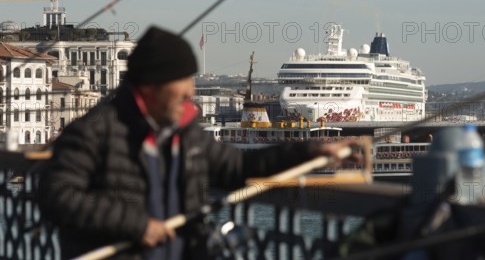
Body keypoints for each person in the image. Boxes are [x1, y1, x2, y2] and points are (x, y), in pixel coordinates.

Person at [39, 26, 360, 259]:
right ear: (153, 86)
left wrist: (309, 151)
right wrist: (137, 226)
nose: (191, 92)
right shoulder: (93, 131)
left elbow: (239, 167)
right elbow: (58, 195)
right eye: (183, 81)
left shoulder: (184, 135)